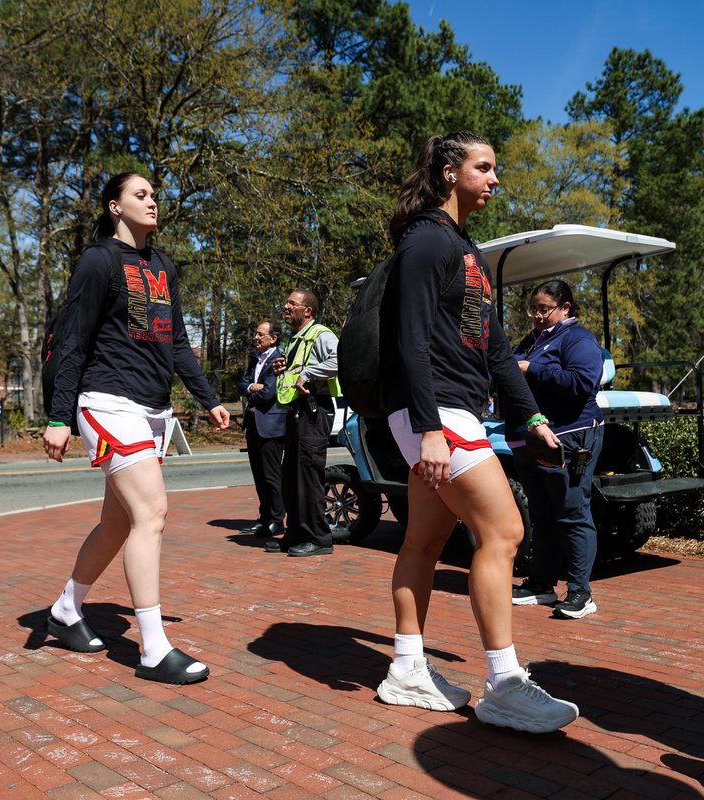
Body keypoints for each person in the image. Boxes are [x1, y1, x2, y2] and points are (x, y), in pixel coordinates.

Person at [373, 131, 579, 734]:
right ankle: (505, 684)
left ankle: (407, 668)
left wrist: (533, 417)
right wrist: (428, 427)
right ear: (447, 172)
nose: (495, 179)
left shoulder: (470, 253)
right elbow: (407, 339)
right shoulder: (423, 243)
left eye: (495, 169)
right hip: (433, 410)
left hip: (455, 409)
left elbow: (493, 352)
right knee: (504, 529)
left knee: (424, 539)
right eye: (483, 168)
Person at [42, 171, 230, 685]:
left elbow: (176, 343)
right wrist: (59, 416)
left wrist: (207, 398)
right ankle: (152, 649)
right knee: (152, 512)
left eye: (153, 195)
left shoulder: (162, 265)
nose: (152, 201)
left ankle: (66, 609)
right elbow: (73, 341)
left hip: (152, 410)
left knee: (119, 523)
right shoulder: (98, 261)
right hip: (106, 403)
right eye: (139, 195)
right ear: (114, 207)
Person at [509, 281, 604, 619]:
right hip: (530, 440)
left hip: (570, 437)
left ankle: (580, 592)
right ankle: (541, 584)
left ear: (566, 308)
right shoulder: (531, 342)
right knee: (542, 514)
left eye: (544, 309)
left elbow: (581, 382)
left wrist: (533, 369)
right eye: (533, 309)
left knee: (572, 512)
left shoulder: (578, 340)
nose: (536, 315)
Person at [263, 289, 339, 557]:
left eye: (291, 304)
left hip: (314, 412)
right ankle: (295, 534)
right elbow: (299, 370)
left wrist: (307, 373)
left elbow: (339, 361)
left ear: (307, 311)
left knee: (308, 476)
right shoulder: (296, 339)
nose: (285, 307)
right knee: (291, 478)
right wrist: (285, 369)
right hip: (297, 412)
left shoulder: (321, 334)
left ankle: (319, 539)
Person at [239, 320, 286, 537]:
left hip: (271, 426)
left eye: (260, 335)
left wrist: (252, 390)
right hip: (253, 425)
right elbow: (242, 384)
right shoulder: (255, 359)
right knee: (259, 476)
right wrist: (251, 386)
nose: (256, 338)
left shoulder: (279, 359)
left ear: (273, 338)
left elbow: (269, 394)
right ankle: (264, 517)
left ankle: (277, 520)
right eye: (256, 334)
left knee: (271, 475)